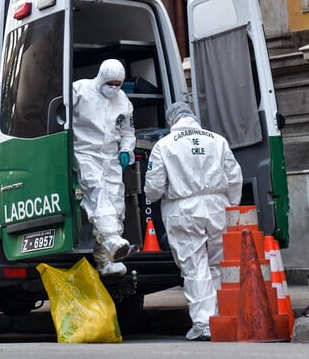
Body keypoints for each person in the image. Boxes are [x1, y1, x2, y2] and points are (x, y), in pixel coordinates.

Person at [144, 102, 242, 341]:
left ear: (171, 121)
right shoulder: (217, 140)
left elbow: (154, 188)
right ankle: (224, 318)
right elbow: (234, 177)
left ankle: (205, 325)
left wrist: (155, 195)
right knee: (219, 264)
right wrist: (230, 206)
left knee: (195, 266)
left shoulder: (163, 146)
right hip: (219, 206)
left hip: (184, 208)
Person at [73, 59, 135, 276]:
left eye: (118, 84)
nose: (114, 87)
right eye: (111, 83)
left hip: (110, 158)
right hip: (85, 153)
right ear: (101, 77)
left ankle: (105, 260)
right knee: (97, 194)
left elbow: (127, 131)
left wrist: (126, 150)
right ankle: (111, 241)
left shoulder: (123, 101)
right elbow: (61, 120)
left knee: (116, 204)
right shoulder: (80, 90)